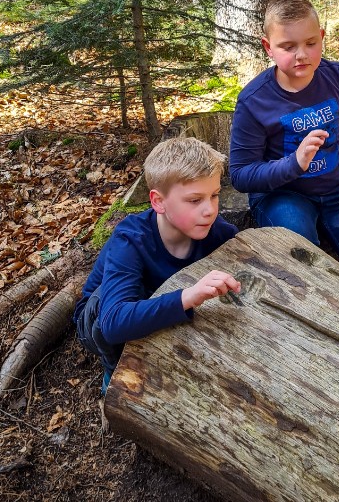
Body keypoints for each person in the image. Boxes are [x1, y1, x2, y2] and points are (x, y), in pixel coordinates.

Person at [229, 0, 339, 302]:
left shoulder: (338, 77)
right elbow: (240, 175)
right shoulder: (255, 101)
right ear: (268, 48)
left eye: (311, 43)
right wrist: (293, 162)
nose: (302, 55)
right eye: (288, 46)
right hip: (282, 195)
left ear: (322, 37)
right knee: (306, 268)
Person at [74, 137, 241, 395]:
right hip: (103, 321)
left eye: (215, 195)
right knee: (108, 308)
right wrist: (188, 296)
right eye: (195, 200)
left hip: (161, 302)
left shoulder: (218, 233)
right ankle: (113, 369)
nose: (209, 210)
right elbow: (112, 323)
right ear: (158, 201)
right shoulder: (130, 239)